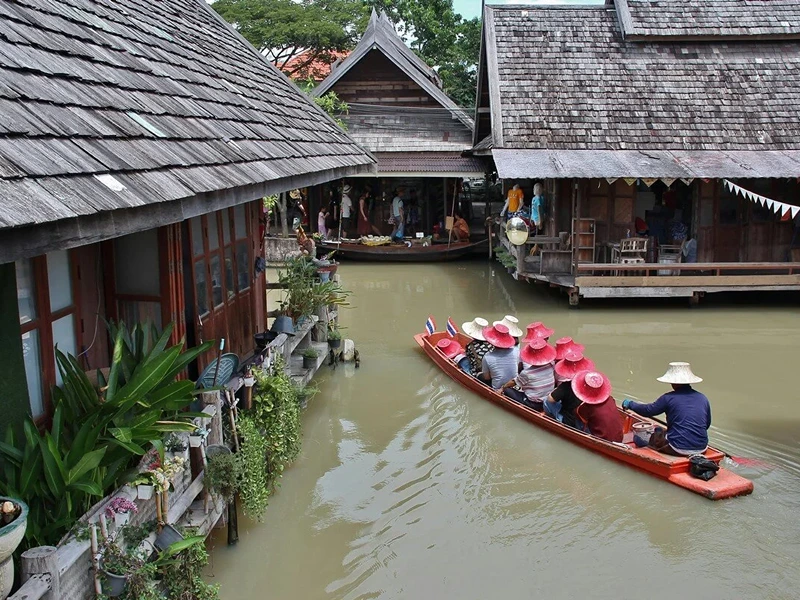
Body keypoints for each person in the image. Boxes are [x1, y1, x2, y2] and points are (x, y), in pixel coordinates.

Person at [622, 362, 711, 456]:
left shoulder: (668, 398)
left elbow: (648, 410)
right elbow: (706, 424)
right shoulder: (703, 398)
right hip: (702, 447)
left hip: (678, 448)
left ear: (674, 383)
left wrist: (630, 404)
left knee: (656, 434)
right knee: (663, 431)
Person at [500, 338, 556, 410]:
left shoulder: (527, 373)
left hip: (534, 403)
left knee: (507, 390)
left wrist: (502, 388)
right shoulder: (551, 365)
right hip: (547, 401)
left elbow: (513, 382)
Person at [546, 349, 595, 427]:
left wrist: (555, 390)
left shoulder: (566, 386)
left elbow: (550, 399)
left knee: (546, 401)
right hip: (582, 419)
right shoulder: (588, 383)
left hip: (569, 420)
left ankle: (552, 417)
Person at [573, 371, 623, 443]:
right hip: (620, 437)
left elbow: (577, 413)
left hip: (603, 439)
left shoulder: (587, 407)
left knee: (577, 417)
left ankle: (580, 435)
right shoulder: (610, 399)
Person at [479, 323, 518, 389]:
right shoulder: (516, 350)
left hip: (497, 387)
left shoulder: (487, 357)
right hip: (515, 385)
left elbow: (487, 378)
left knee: (480, 375)